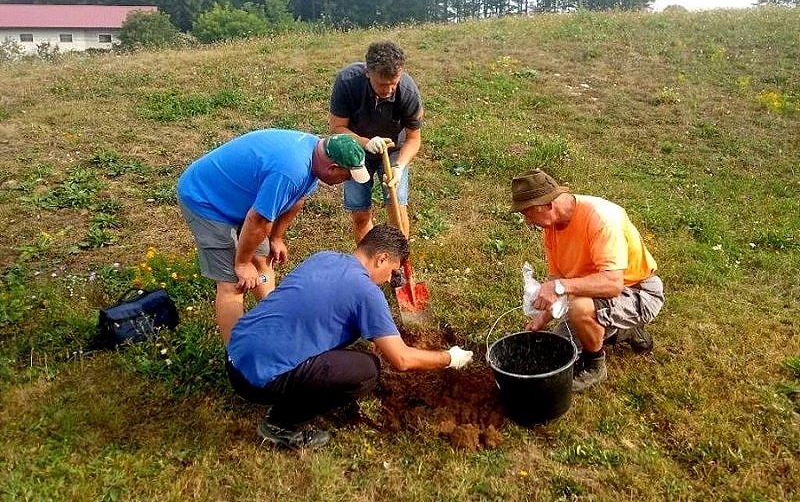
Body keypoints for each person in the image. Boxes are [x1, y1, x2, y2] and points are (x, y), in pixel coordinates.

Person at [225, 224, 474, 450]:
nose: (389, 280)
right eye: (392, 271)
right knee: (367, 369)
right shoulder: (366, 293)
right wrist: (449, 358)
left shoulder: (324, 257)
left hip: (235, 355)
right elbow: (402, 359)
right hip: (257, 381)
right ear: (382, 259)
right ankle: (280, 424)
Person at [177, 129, 370, 344]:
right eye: (347, 176)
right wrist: (241, 263)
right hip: (207, 200)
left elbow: (297, 199)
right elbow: (258, 220)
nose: (347, 181)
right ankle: (237, 358)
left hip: (244, 198)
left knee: (262, 262)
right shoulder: (291, 170)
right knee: (233, 284)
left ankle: (275, 325)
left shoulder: (317, 155)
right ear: (333, 168)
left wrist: (276, 238)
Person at [510, 169, 665, 393]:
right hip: (595, 291)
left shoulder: (601, 219)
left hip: (638, 291)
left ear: (545, 205)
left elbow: (613, 284)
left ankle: (595, 366)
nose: (527, 221)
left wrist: (560, 287)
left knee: (580, 309)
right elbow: (558, 277)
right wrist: (541, 319)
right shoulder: (552, 226)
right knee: (562, 349)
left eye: (527, 214)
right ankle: (624, 331)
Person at [328, 40, 424, 244]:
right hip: (355, 150)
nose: (389, 90)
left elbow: (414, 139)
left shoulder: (408, 92)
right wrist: (366, 143)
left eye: (394, 83)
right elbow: (337, 129)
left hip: (394, 152)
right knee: (361, 214)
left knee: (396, 210)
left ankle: (398, 268)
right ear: (367, 73)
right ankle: (367, 266)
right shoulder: (347, 82)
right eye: (382, 84)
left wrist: (399, 167)